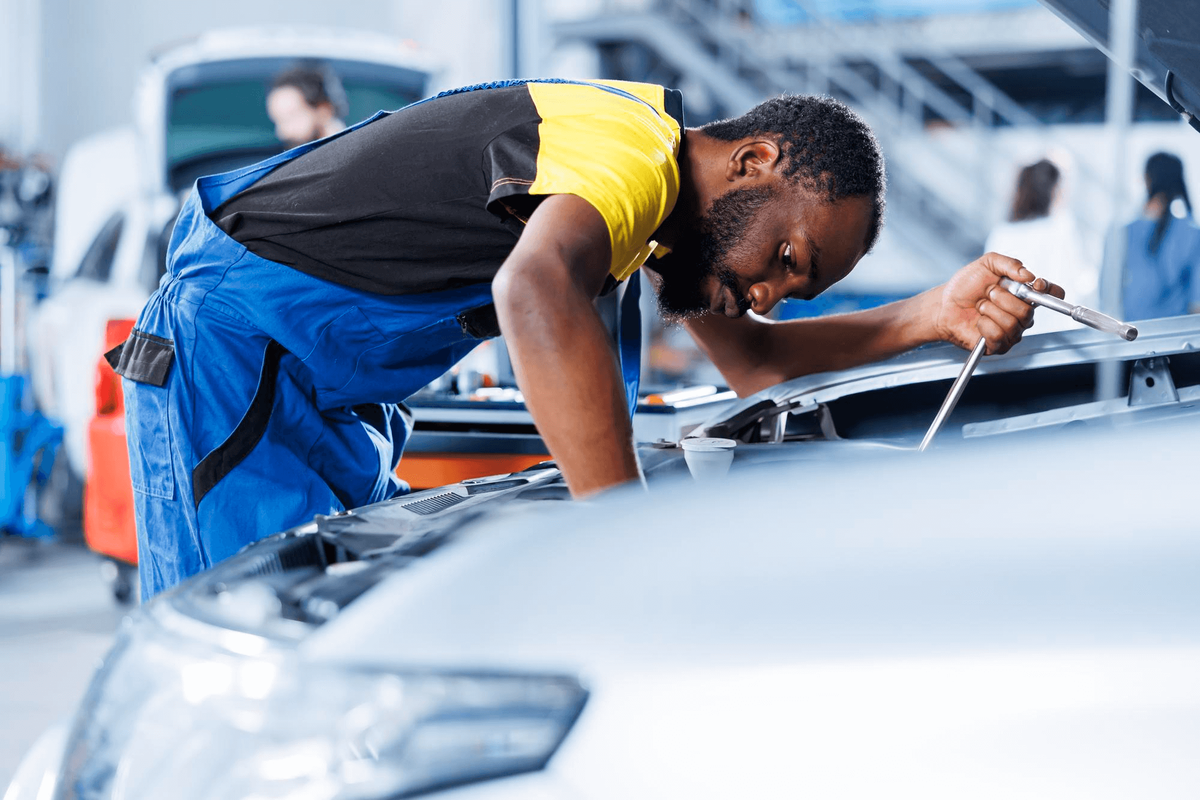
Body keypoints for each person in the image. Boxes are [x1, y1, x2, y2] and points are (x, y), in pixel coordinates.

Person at [110, 80, 1058, 599]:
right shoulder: (628, 152)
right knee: (231, 654)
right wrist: (624, 541)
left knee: (328, 651)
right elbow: (533, 290)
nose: (767, 290)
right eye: (786, 257)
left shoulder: (661, 219)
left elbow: (756, 361)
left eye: (789, 286)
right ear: (756, 160)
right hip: (232, 354)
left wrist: (934, 314)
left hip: (325, 392)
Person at [985, 158, 1095, 332]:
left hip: (1015, 332)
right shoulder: (1061, 228)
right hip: (1058, 332)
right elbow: (1075, 284)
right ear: (1053, 190)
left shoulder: (1001, 233)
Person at [1117, 152, 1200, 320]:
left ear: (1147, 180)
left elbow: (1108, 298)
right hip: (1179, 340)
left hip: (1129, 336)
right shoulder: (1192, 234)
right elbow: (1197, 304)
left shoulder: (1122, 234)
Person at [266, 63, 347, 148]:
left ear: (324, 111)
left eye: (292, 117)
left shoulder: (356, 156)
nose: (282, 133)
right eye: (277, 121)